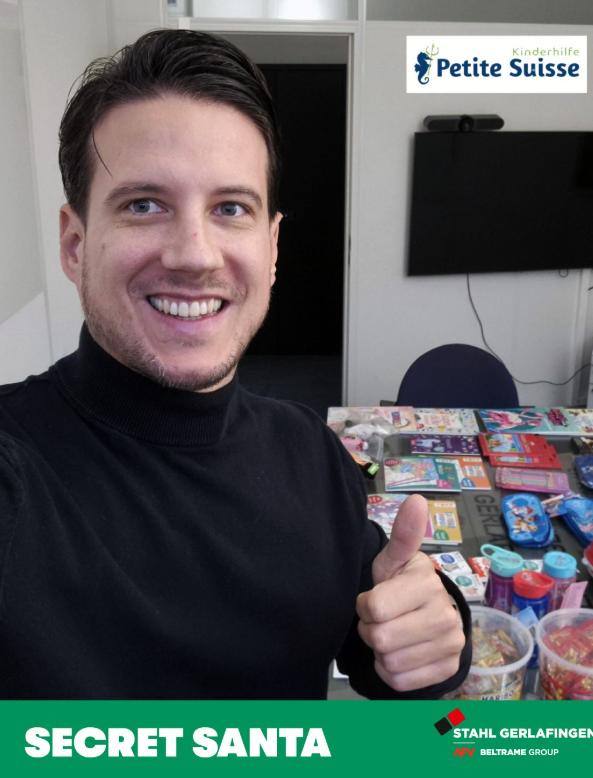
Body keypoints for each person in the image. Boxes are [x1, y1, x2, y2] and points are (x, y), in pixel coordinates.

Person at [0, 29, 470, 699]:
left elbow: (385, 631)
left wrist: (432, 631)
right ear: (75, 245)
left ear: (271, 248)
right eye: (143, 205)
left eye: (230, 208)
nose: (195, 254)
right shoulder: (16, 473)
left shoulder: (310, 451)